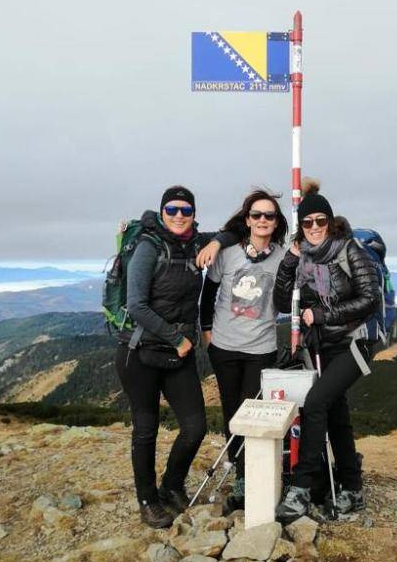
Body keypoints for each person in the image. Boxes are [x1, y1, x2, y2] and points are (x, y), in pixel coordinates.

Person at [115, 186, 238, 529]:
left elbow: (236, 230)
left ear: (194, 214)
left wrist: (217, 243)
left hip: (176, 355)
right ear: (162, 212)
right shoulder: (148, 247)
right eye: (172, 209)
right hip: (139, 352)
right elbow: (136, 305)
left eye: (186, 210)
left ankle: (171, 486)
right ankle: (148, 501)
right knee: (146, 430)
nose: (179, 216)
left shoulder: (197, 242)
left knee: (195, 426)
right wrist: (177, 338)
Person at [272, 179, 380, 523]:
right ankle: (352, 489)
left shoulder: (349, 250)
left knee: (316, 402)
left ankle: (301, 489)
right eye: (308, 222)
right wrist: (289, 260)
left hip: (356, 342)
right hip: (324, 345)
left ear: (330, 223)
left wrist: (322, 314)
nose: (315, 227)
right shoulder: (302, 256)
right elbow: (281, 302)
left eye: (321, 221)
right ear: (301, 227)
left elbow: (370, 298)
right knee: (336, 414)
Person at [199, 189, 288, 512]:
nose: (263, 220)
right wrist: (207, 332)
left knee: (252, 412)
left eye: (269, 216)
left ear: (276, 222)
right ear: (247, 220)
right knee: (232, 414)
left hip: (261, 348)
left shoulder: (283, 257)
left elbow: (287, 299)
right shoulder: (227, 253)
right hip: (224, 347)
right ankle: (241, 477)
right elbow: (208, 293)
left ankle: (253, 474)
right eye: (256, 215)